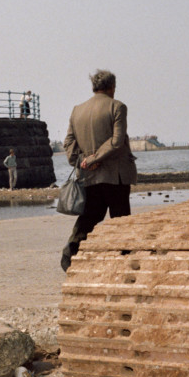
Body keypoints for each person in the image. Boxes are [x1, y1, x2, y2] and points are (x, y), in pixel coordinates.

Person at [60, 69, 138, 271]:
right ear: (112, 87)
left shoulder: (77, 110)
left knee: (89, 216)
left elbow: (68, 143)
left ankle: (70, 253)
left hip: (89, 176)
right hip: (115, 174)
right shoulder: (117, 107)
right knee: (120, 219)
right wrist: (94, 159)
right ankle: (124, 259)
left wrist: (83, 161)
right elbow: (116, 141)